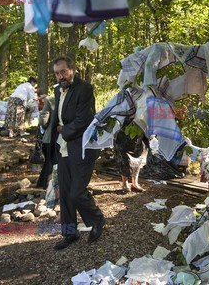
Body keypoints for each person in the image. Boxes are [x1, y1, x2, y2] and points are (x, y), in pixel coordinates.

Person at [50, 56, 104, 250]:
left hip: (83, 148)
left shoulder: (85, 89)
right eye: (57, 73)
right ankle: (70, 233)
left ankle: (97, 219)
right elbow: (57, 117)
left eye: (63, 71)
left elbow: (84, 119)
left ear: (72, 70)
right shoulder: (57, 91)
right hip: (62, 149)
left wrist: (63, 130)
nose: (61, 76)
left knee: (76, 192)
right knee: (64, 194)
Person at [113, 118, 149, 193]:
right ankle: (125, 183)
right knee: (123, 158)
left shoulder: (144, 108)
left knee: (138, 157)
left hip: (139, 132)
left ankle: (134, 183)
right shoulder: (126, 107)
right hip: (124, 133)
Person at [36, 94, 56, 189]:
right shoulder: (74, 96)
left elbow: (44, 119)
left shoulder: (51, 99)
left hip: (50, 136)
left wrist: (43, 126)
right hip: (64, 137)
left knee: (48, 162)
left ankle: (45, 185)